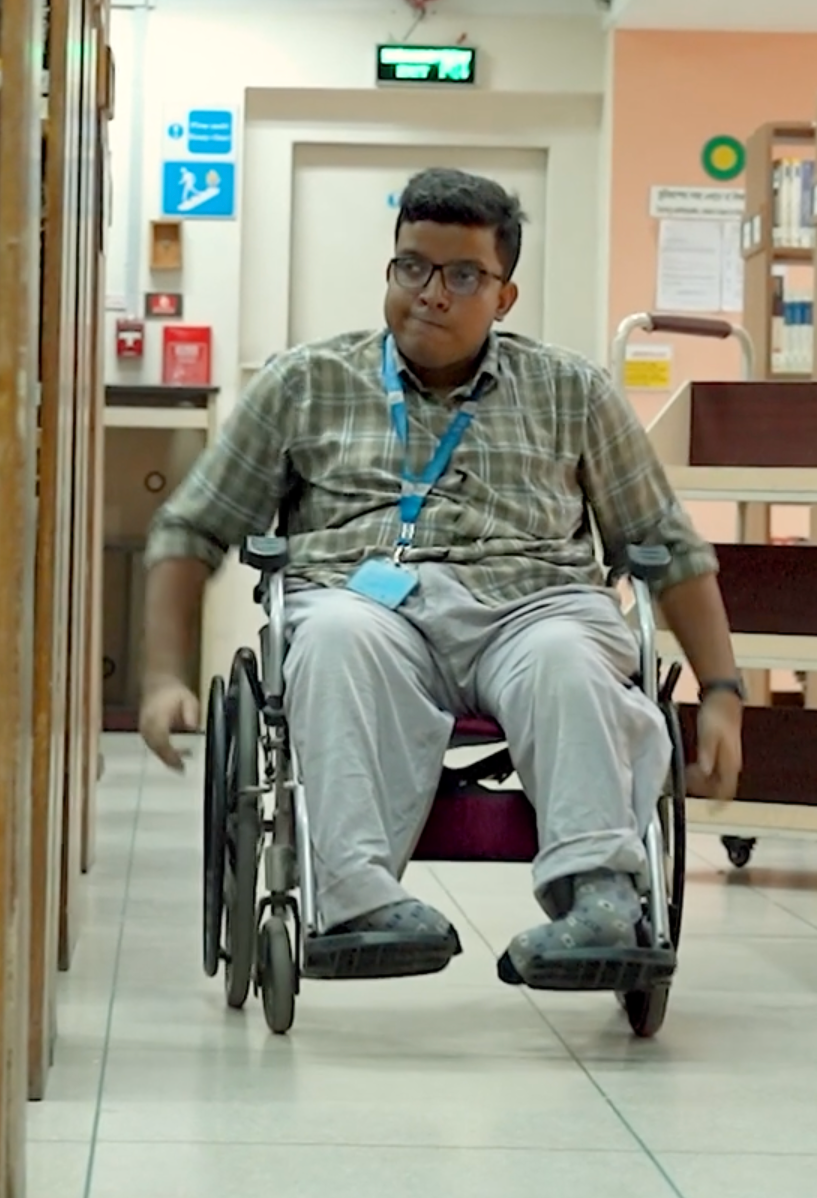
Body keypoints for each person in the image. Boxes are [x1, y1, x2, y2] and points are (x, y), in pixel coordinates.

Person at [139, 166, 744, 991]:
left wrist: (721, 691)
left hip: (534, 609)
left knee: (574, 657)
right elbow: (193, 525)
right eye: (411, 267)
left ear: (504, 295)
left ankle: (602, 898)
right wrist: (163, 677)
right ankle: (354, 902)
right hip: (364, 600)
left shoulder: (573, 391)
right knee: (341, 638)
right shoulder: (305, 383)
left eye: (462, 275)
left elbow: (665, 544)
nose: (430, 293)